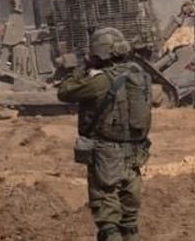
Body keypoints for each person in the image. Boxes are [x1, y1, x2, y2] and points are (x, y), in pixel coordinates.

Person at [57, 27, 152, 241]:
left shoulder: (100, 81)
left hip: (106, 154)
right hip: (136, 152)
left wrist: (83, 67)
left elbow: (64, 91)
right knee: (129, 220)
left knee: (108, 217)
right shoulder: (140, 75)